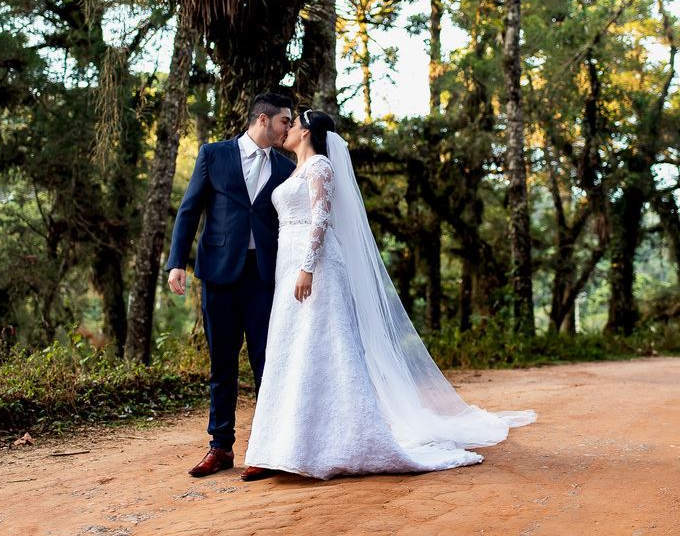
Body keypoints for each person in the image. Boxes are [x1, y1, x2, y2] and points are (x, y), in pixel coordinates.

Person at [240, 110, 535, 481]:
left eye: (294, 121)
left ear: (308, 131)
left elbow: (320, 219)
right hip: (288, 266)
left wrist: (308, 267)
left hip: (315, 267)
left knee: (322, 349)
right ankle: (279, 447)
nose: (289, 127)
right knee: (288, 351)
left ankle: (333, 444)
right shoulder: (294, 170)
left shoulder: (321, 167)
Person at [165, 93, 295, 477]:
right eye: (284, 121)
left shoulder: (287, 168)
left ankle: (266, 449)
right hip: (218, 273)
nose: (288, 127)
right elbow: (189, 210)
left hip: (264, 277)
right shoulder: (213, 154)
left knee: (265, 364)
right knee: (222, 364)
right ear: (263, 120)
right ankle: (220, 448)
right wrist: (177, 263)